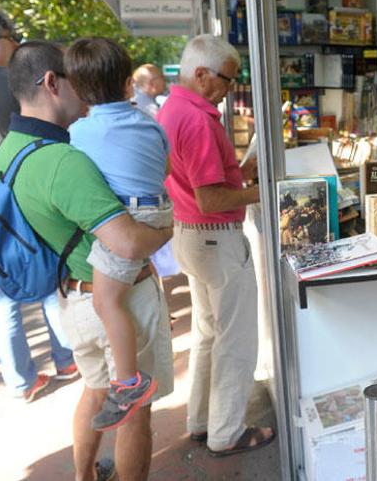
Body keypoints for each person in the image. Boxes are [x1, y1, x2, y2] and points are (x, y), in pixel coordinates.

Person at [0, 41, 173, 481]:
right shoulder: (66, 160)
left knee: (94, 391)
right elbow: (130, 242)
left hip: (71, 297)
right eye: (74, 78)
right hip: (117, 299)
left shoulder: (11, 149)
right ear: (53, 83)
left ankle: (84, 475)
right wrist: (169, 231)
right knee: (134, 413)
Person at [158, 34, 274, 457]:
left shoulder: (172, 110)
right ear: (202, 74)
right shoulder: (199, 121)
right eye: (228, 79)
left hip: (190, 233)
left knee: (208, 333)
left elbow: (203, 184)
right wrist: (263, 192)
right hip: (216, 236)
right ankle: (228, 432)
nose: (230, 89)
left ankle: (202, 421)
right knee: (235, 340)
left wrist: (241, 172)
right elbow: (213, 198)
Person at [0, 8, 77, 402]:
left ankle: (19, 380)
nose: (15, 48)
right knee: (49, 273)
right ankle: (67, 358)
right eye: (12, 40)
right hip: (16, 195)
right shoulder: (11, 83)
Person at [66, 37, 173, 431]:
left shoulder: (78, 134)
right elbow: (166, 169)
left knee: (105, 300)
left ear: (75, 89)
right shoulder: (148, 122)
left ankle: (128, 382)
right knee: (123, 290)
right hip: (158, 205)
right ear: (129, 84)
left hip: (128, 212)